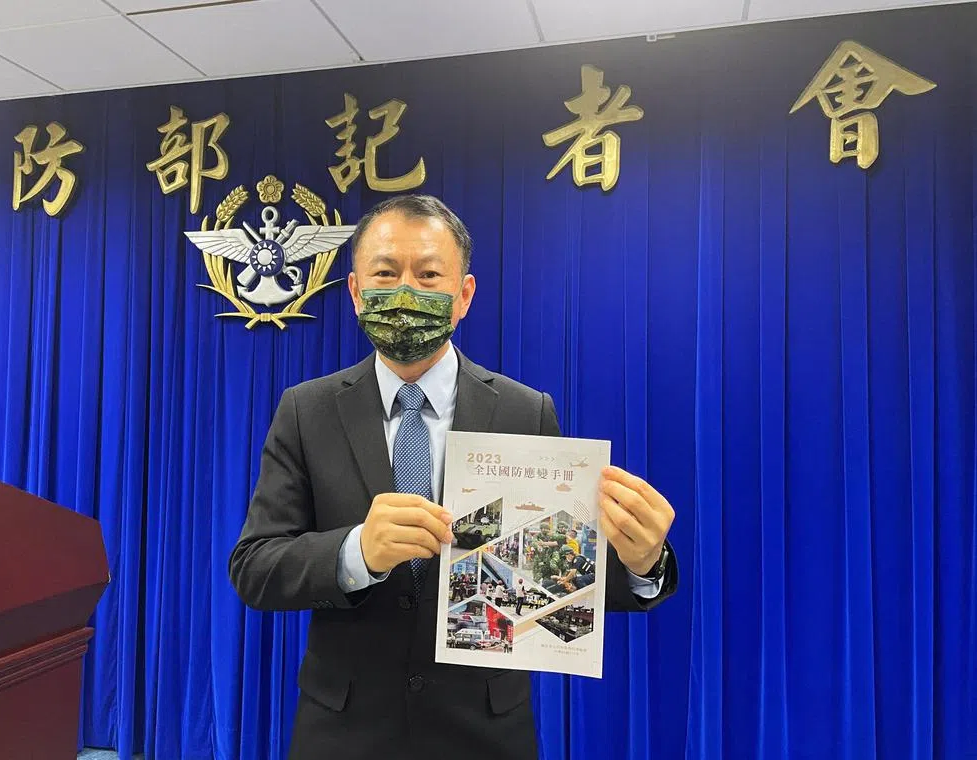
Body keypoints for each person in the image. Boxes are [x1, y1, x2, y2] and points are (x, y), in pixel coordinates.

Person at [228, 195, 678, 760]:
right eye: (386, 273)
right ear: (355, 291)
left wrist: (642, 565)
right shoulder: (307, 410)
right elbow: (255, 567)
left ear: (463, 295)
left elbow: (553, 572)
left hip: (484, 731)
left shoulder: (524, 411)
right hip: (343, 730)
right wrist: (355, 552)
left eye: (429, 274)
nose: (406, 291)